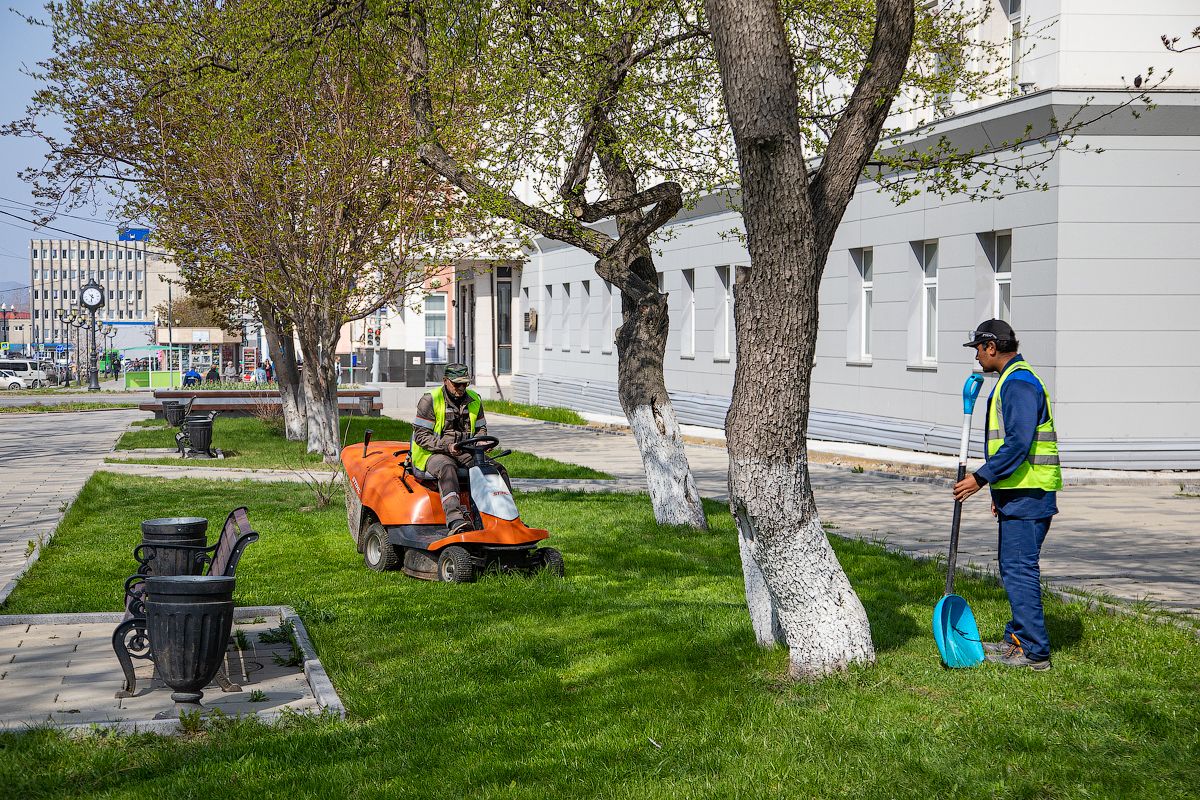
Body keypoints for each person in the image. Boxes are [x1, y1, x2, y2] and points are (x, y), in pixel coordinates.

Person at [953, 319, 1061, 671]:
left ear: (992, 347)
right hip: (1019, 492)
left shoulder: (1018, 384)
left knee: (1018, 569)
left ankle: (1034, 651)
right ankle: (1017, 637)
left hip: (1030, 494)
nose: (977, 359)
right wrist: (999, 491)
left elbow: (1018, 443)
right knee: (1012, 567)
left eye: (978, 350)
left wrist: (980, 479)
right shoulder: (1011, 380)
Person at [410, 363, 509, 535]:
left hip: (465, 451)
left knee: (496, 470)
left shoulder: (474, 399)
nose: (461, 388)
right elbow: (421, 436)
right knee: (448, 468)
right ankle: (455, 520)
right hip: (433, 453)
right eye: (457, 384)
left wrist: (481, 444)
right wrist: (447, 447)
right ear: (445, 381)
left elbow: (480, 429)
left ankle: (506, 518)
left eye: (465, 384)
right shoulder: (430, 400)